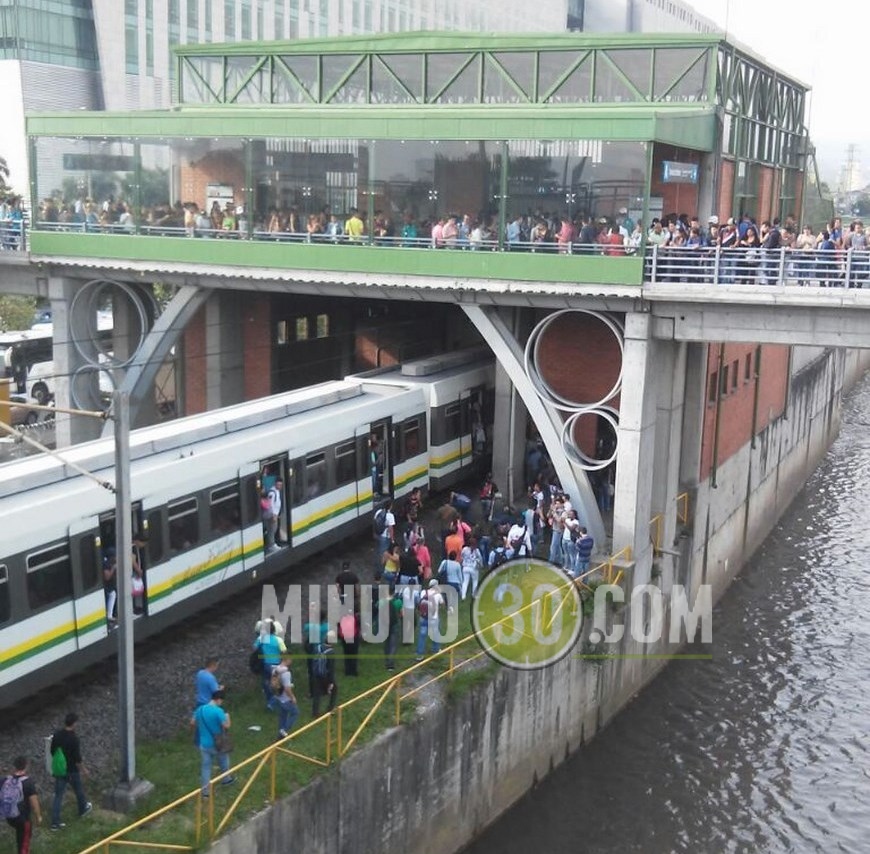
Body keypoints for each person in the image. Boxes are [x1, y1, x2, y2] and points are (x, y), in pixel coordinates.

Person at [49, 713, 92, 830]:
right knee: (78, 790)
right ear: (74, 724)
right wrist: (84, 770)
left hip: (60, 770)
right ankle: (83, 809)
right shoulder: (74, 739)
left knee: (58, 796)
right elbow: (77, 758)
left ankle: (55, 823)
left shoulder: (57, 735)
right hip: (72, 770)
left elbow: (52, 751)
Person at [191, 691, 235, 794]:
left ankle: (205, 792)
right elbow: (227, 726)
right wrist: (228, 717)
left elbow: (192, 722)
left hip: (203, 744)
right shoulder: (218, 711)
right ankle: (226, 779)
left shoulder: (200, 709)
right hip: (217, 743)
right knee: (224, 760)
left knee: (206, 767)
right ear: (219, 699)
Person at [2, 755, 41, 853]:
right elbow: (34, 802)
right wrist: (38, 816)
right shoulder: (27, 782)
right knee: (24, 843)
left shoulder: (5, 780)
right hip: (23, 819)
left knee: (20, 836)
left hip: (9, 816)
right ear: (26, 766)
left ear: (14, 766)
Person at [268, 654, 299, 738]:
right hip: (286, 699)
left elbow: (274, 682)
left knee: (282, 716)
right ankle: (284, 730)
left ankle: (280, 736)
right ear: (287, 660)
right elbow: (287, 688)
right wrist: (292, 697)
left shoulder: (275, 669)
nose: (291, 661)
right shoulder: (286, 673)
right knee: (295, 713)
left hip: (278, 696)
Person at [252, 622, 283, 706]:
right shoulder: (278, 640)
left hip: (265, 664)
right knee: (277, 682)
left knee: (266, 681)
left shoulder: (262, 638)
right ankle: (280, 698)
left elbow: (254, 648)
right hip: (276, 664)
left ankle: (270, 699)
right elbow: (284, 650)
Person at [415, 579, 445, 660]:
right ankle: (435, 650)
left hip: (423, 617)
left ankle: (419, 654)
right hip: (434, 618)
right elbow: (442, 604)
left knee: (422, 636)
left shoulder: (423, 592)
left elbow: (419, 602)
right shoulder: (438, 594)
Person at [310, 631, 338, 718]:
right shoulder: (331, 652)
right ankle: (330, 708)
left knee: (317, 694)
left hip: (316, 674)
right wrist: (331, 682)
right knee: (335, 690)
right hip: (325, 676)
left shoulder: (317, 648)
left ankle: (315, 712)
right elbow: (331, 668)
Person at [102, 547, 117, 625]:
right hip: (107, 587)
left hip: (112, 585)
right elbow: (107, 577)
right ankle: (109, 616)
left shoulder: (111, 562)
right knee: (112, 594)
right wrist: (113, 569)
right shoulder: (106, 564)